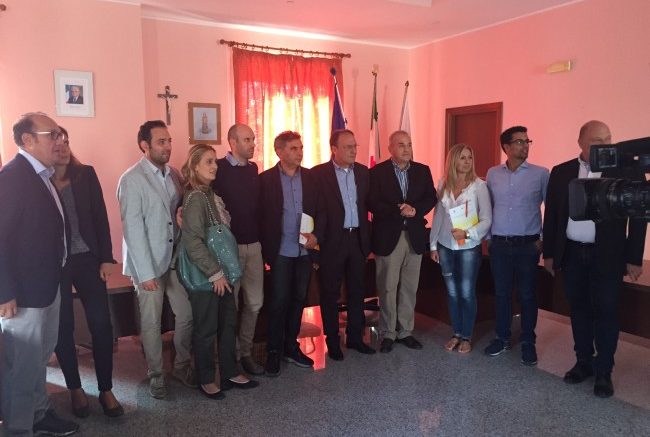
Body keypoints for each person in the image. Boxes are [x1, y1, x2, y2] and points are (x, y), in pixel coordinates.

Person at [542, 120, 646, 397]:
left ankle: (604, 371)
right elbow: (552, 215)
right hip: (573, 253)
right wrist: (549, 253)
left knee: (607, 312)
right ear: (581, 143)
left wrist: (634, 257)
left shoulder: (626, 170)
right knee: (579, 309)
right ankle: (583, 362)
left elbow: (638, 216)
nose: (604, 145)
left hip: (608, 255)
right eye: (597, 141)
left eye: (608, 139)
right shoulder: (561, 172)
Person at [0, 112, 79, 436]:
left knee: (39, 359)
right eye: (52, 135)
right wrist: (4, 291)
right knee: (21, 367)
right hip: (23, 294)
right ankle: (19, 428)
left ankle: (38, 414)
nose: (60, 141)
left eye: (60, 134)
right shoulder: (12, 177)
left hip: (48, 285)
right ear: (28, 140)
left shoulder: (43, 175)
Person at [117, 120, 194, 399]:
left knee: (186, 315)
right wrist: (146, 273)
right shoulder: (131, 179)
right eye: (161, 142)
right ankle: (156, 375)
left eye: (169, 141)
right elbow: (133, 230)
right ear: (145, 145)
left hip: (173, 259)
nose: (168, 147)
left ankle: (182, 366)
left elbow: (177, 212)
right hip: (147, 263)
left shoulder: (174, 174)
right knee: (152, 322)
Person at [51, 127, 123, 417]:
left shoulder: (85, 174)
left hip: (88, 259)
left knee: (101, 324)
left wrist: (106, 258)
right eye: (56, 141)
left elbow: (100, 217)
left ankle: (106, 389)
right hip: (56, 264)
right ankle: (75, 388)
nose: (62, 147)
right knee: (62, 327)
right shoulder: (39, 181)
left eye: (66, 141)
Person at [180, 144, 259, 399]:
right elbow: (193, 241)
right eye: (208, 162)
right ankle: (205, 378)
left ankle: (229, 372)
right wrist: (215, 273)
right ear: (194, 167)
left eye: (215, 161)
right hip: (208, 276)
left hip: (221, 274)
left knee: (227, 323)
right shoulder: (195, 197)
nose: (215, 166)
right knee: (206, 328)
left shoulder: (209, 194)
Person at [484, 125, 549, 366]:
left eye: (527, 141)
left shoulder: (541, 174)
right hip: (500, 244)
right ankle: (502, 338)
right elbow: (488, 206)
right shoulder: (493, 174)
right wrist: (489, 237)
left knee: (527, 294)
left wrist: (543, 239)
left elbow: (552, 208)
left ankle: (528, 341)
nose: (525, 146)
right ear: (506, 147)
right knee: (501, 294)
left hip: (527, 246)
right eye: (520, 142)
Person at [369, 130, 436, 353]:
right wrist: (398, 210)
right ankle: (388, 332)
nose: (406, 149)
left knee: (409, 287)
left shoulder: (422, 170)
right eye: (401, 145)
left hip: (414, 236)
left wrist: (415, 210)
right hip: (388, 237)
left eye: (409, 144)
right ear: (390, 148)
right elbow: (371, 202)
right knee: (388, 287)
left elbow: (430, 197)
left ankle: (405, 331)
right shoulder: (377, 172)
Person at [259, 131, 320, 376]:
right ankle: (273, 350)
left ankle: (291, 347)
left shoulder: (311, 178)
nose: (299, 152)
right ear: (279, 151)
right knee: (278, 301)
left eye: (301, 147)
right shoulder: (266, 180)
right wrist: (266, 253)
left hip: (305, 252)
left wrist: (317, 237)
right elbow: (261, 219)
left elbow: (322, 211)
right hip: (281, 252)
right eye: (294, 148)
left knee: (298, 299)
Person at [311, 129, 375, 360]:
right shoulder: (318, 174)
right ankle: (333, 340)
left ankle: (355, 337)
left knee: (358, 291)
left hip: (357, 239)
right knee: (330, 293)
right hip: (331, 242)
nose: (353, 150)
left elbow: (370, 205)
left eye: (355, 146)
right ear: (334, 149)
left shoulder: (364, 172)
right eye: (348, 147)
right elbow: (313, 210)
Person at [211, 124, 265, 376]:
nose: (252, 144)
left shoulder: (253, 169)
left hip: (254, 246)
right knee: (230, 307)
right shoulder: (218, 169)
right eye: (246, 140)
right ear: (232, 142)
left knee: (255, 303)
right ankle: (229, 356)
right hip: (229, 248)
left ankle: (245, 352)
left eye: (253, 139)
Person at [429, 144, 492, 353]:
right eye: (462, 158)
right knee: (452, 292)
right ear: (453, 160)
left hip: (468, 248)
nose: (467, 162)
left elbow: (487, 219)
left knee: (466, 292)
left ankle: (466, 336)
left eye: (469, 158)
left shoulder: (479, 186)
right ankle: (456, 333)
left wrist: (468, 233)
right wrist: (433, 245)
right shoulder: (443, 184)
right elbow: (438, 216)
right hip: (445, 246)